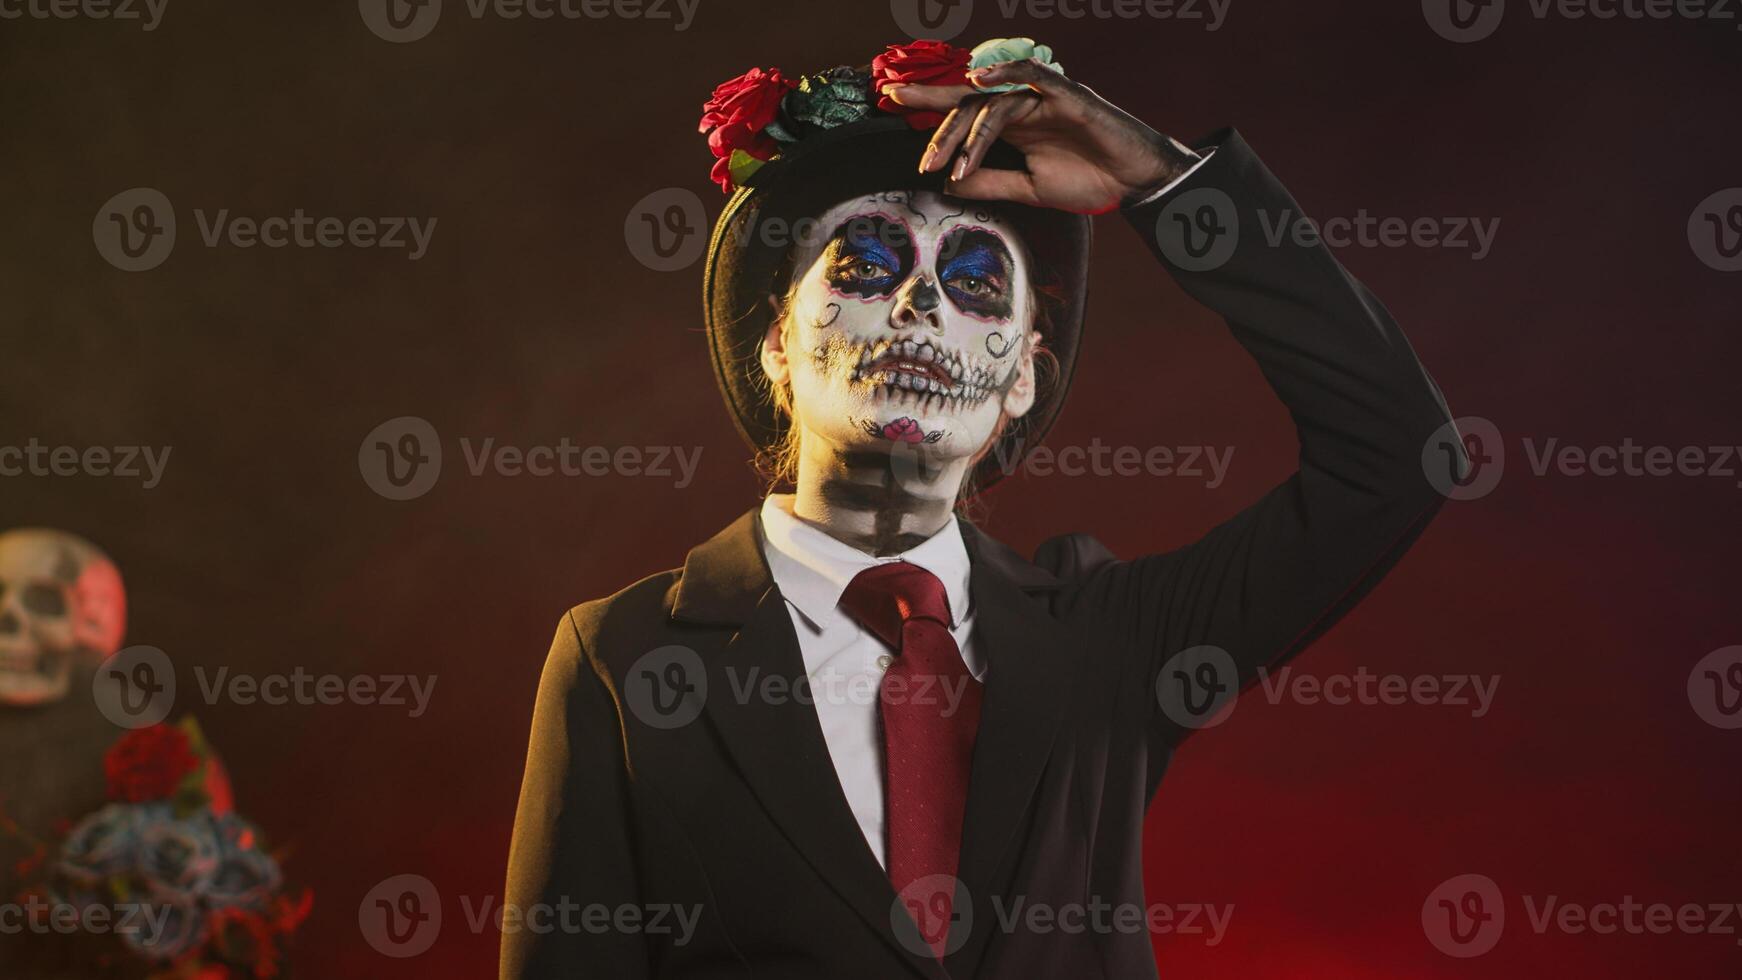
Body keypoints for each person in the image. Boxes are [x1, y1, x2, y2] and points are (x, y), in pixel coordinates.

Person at [503, 37, 1463, 980]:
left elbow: (1397, 455)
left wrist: (1168, 185)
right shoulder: (621, 655)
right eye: (867, 263)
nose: (921, 301)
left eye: (973, 283)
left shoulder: (1108, 642)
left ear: (1021, 385)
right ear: (776, 349)